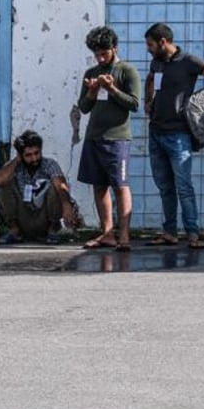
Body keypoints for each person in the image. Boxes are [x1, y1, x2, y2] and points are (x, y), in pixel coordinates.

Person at [144, 22, 204, 249]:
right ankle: (169, 232)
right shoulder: (157, 62)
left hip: (178, 135)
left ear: (163, 42)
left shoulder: (189, 61)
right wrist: (148, 101)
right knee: (165, 186)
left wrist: (200, 100)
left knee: (184, 186)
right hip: (156, 133)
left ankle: (193, 233)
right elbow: (151, 78)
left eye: (151, 44)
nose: (148, 49)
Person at [76, 26, 141, 251]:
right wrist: (93, 91)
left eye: (104, 53)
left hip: (117, 139)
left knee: (120, 186)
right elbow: (83, 107)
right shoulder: (91, 72)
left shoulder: (127, 71)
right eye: (96, 54)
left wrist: (112, 89)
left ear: (115, 48)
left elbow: (134, 104)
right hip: (94, 137)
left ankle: (124, 235)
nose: (100, 58)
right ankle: (107, 233)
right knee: (99, 186)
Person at [0, 130, 78, 244]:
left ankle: (52, 231)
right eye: (28, 155)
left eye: (36, 153)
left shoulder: (49, 164)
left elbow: (61, 186)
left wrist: (66, 206)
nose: (34, 159)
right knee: (4, 183)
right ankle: (15, 231)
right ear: (20, 155)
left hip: (45, 218)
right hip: (23, 217)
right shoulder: (14, 167)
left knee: (56, 188)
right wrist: (16, 161)